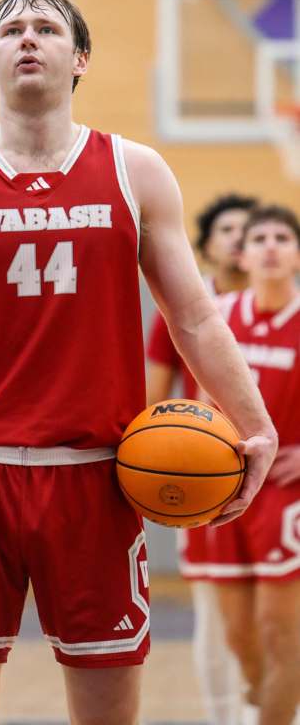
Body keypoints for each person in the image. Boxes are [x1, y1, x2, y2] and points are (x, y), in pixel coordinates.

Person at [0, 0, 277, 725]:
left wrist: (253, 425)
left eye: (46, 28)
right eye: (12, 30)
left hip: (97, 481)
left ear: (81, 59)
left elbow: (193, 316)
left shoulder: (135, 171)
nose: (27, 39)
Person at [146, 193, 258, 725]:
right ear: (207, 246)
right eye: (228, 230)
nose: (240, 240)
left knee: (280, 615)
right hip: (209, 475)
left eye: (250, 230)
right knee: (215, 615)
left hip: (278, 477)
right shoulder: (182, 311)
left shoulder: (285, 308)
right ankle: (223, 718)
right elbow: (152, 401)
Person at [198, 205, 300, 725]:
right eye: (260, 237)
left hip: (288, 493)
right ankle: (273, 708)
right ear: (243, 253)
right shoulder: (220, 316)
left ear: (297, 253)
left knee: (279, 630)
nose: (271, 246)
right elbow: (201, 399)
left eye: (283, 236)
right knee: (239, 635)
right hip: (227, 483)